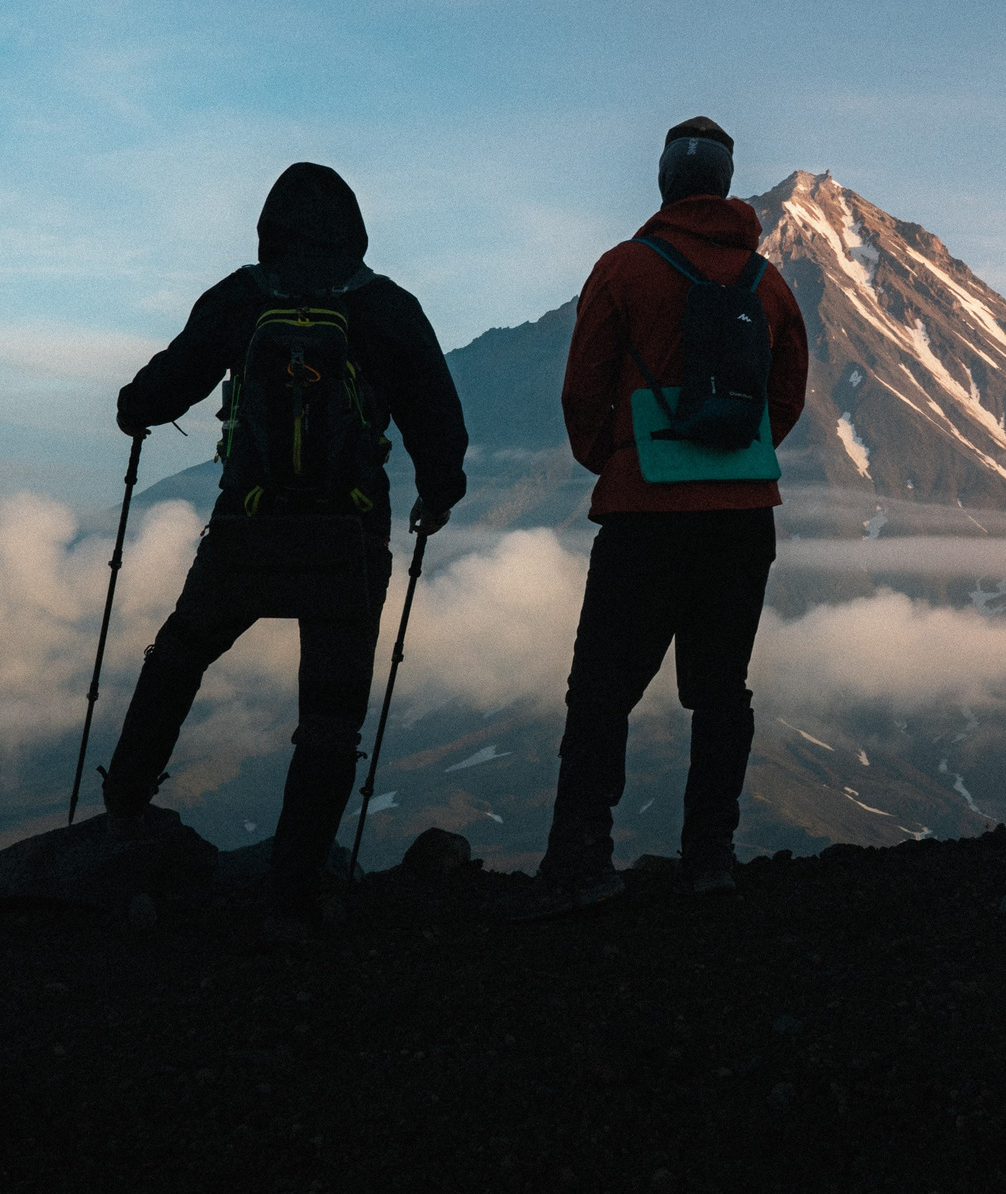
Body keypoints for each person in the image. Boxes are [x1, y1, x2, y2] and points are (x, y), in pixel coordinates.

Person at [99, 162, 468, 939]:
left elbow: (165, 385)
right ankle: (290, 895)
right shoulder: (383, 305)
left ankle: (123, 806)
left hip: (248, 531)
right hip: (347, 538)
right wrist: (441, 494)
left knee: (180, 651)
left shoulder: (243, 296)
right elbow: (438, 414)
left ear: (271, 226)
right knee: (329, 716)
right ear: (353, 229)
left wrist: (134, 409)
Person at [522, 117, 810, 916]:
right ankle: (709, 858)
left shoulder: (624, 269)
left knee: (602, 689)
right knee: (722, 691)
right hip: (744, 514)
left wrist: (618, 456)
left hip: (643, 512)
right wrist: (734, 454)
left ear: (663, 182)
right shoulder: (770, 283)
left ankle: (581, 858)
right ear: (722, 184)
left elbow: (583, 390)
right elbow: (785, 398)